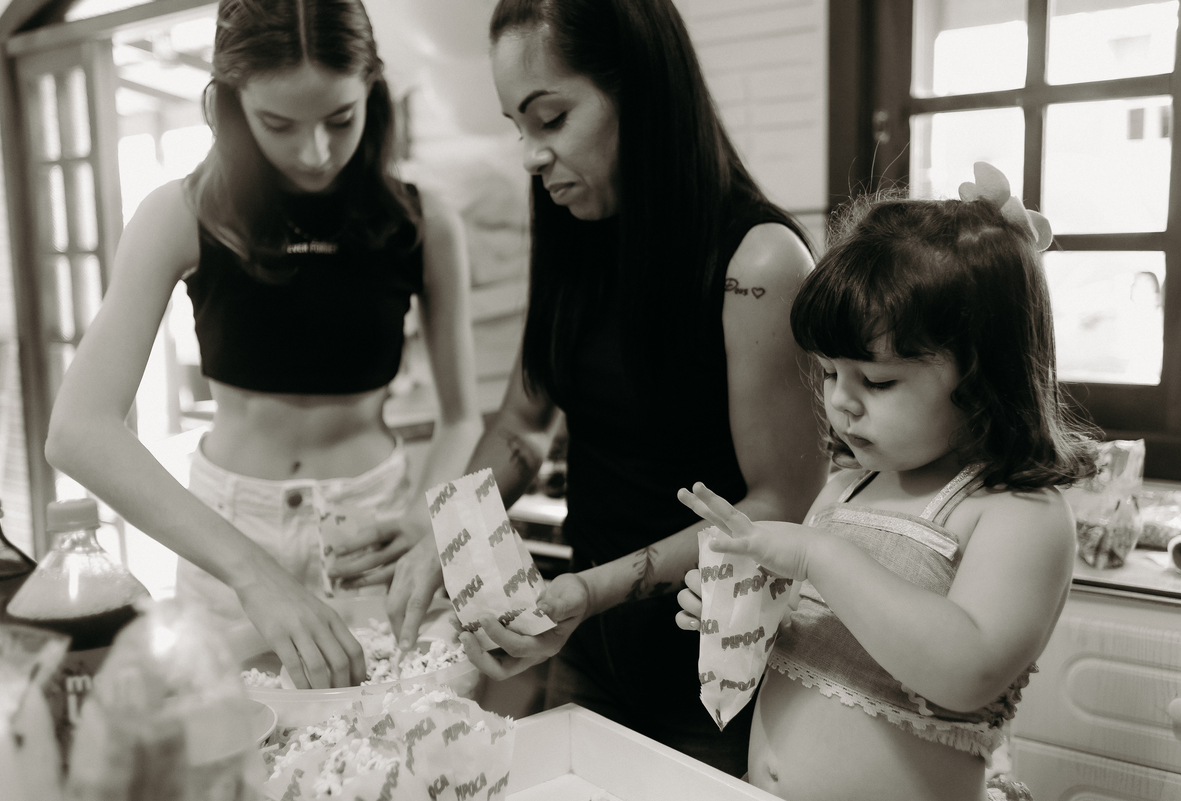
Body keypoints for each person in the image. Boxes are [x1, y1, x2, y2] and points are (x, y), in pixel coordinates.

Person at [328, 0, 828, 776]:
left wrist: (591, 590)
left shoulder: (758, 263)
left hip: (716, 675)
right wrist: (444, 532)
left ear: (642, 90)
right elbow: (523, 421)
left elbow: (779, 502)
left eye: (551, 119)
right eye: (516, 127)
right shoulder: (574, 230)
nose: (531, 155)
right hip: (590, 655)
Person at [44, 0, 481, 690]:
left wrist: (431, 514)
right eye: (279, 124)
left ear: (371, 89)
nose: (316, 152)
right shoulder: (180, 213)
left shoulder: (424, 222)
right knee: (234, 746)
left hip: (372, 534)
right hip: (228, 538)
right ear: (230, 103)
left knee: (394, 740)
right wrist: (253, 572)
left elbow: (462, 418)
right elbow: (77, 431)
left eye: (340, 118)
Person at [674, 164, 1098, 801]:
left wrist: (817, 555)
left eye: (877, 381)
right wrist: (751, 610)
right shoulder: (846, 487)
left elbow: (967, 671)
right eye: (828, 373)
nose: (841, 402)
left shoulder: (1017, 513)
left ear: (984, 377)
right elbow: (833, 640)